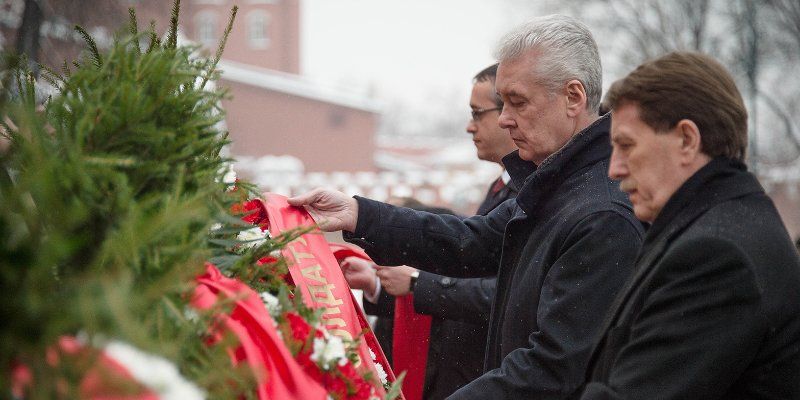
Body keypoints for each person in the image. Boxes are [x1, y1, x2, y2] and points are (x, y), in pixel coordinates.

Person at [290, 15, 644, 399]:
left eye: (518, 102)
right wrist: (359, 214)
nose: (505, 119)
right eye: (503, 103)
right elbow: (468, 241)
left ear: (573, 98)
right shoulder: (555, 188)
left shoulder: (601, 215)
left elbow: (553, 369)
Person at [578, 51, 800, 399]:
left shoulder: (715, 256)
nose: (614, 169)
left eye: (626, 146)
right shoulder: (726, 224)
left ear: (686, 140)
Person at [341, 64, 518, 399]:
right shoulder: (501, 187)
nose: (470, 126)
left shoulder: (527, 194)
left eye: (478, 114)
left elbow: (504, 293)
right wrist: (378, 281)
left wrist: (419, 283)